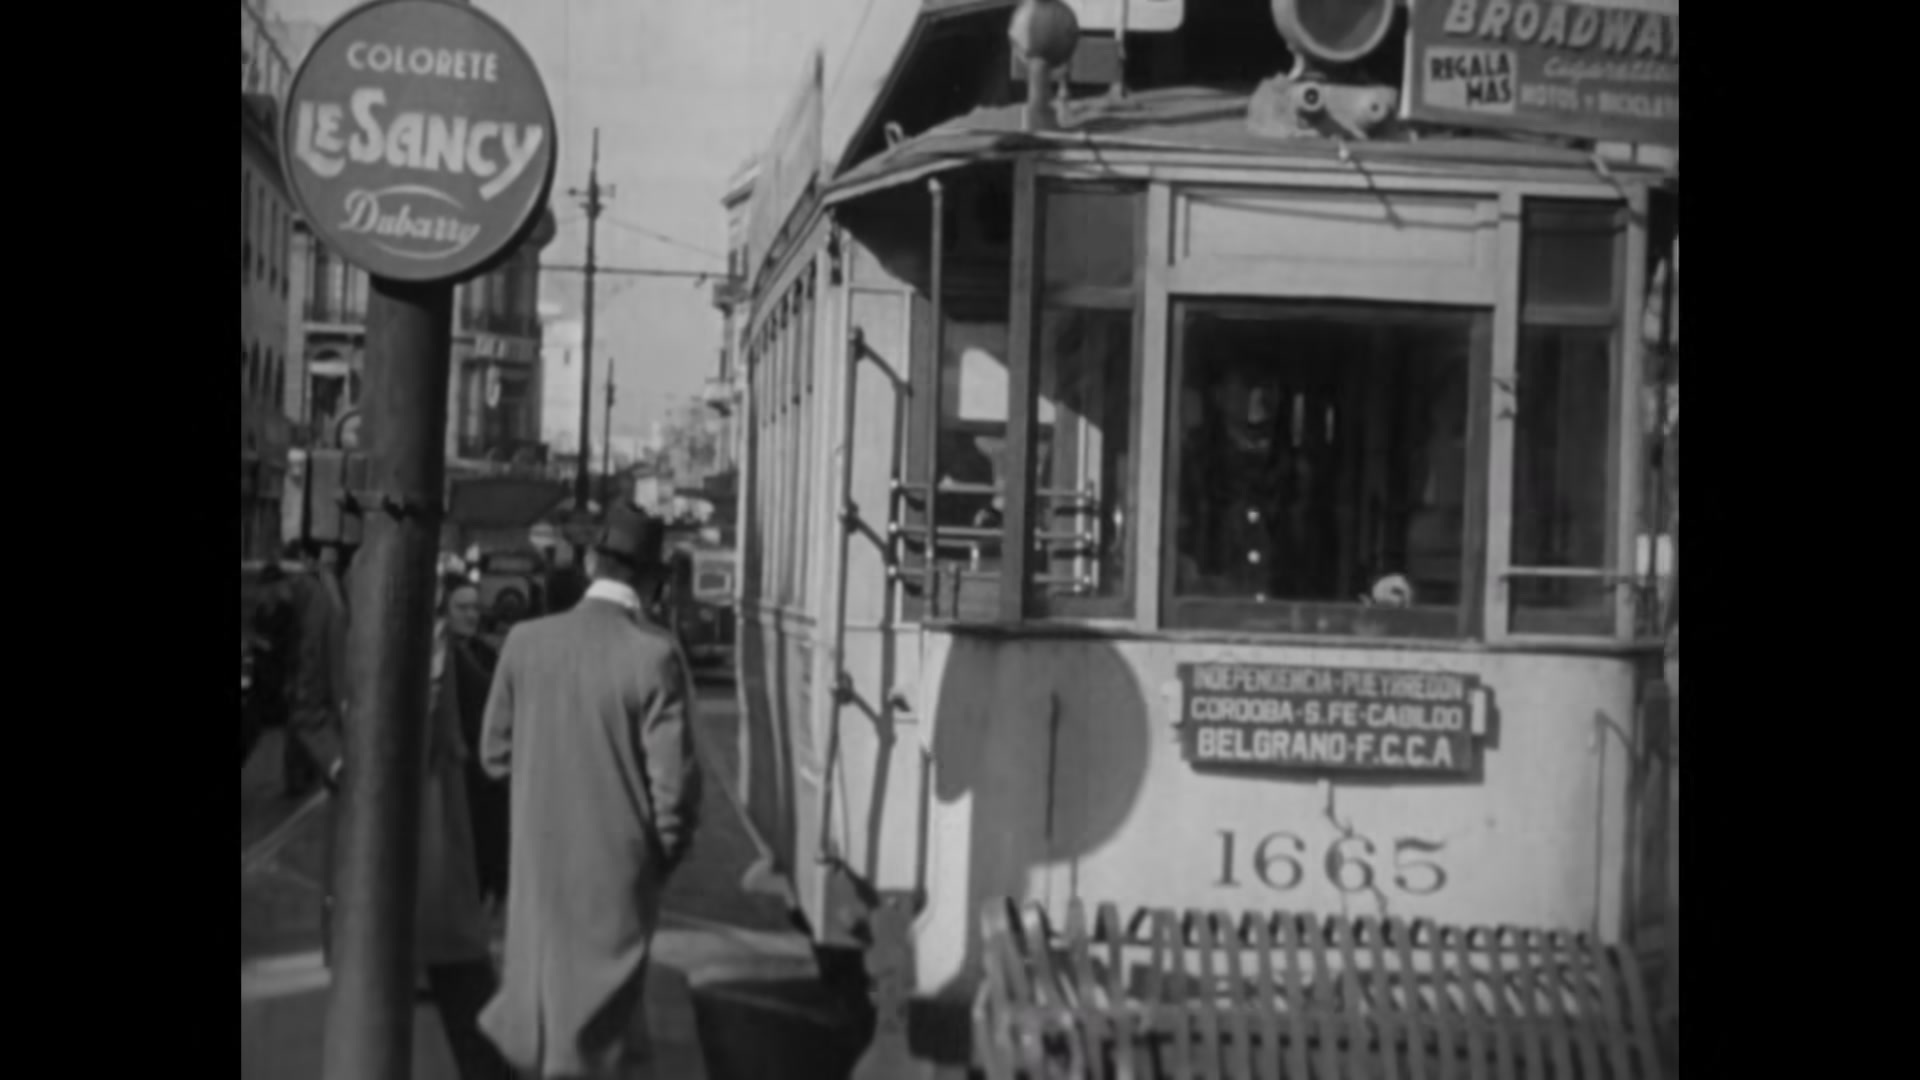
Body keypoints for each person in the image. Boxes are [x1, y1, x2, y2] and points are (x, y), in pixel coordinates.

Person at [478, 502, 704, 1080]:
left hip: (539, 872)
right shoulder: (654, 657)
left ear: (589, 563)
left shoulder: (524, 643)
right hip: (615, 883)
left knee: (543, 1029)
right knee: (602, 1045)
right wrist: (651, 861)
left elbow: (494, 756)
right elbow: (675, 797)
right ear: (653, 583)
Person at [441, 575, 509, 912]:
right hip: (454, 765)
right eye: (462, 607)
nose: (471, 615)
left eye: (475, 608)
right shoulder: (438, 657)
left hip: (485, 765)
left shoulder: (486, 653)